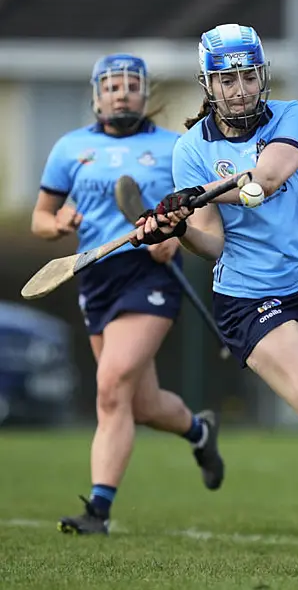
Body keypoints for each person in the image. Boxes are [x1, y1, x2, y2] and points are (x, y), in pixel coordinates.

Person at [131, 24, 298, 573]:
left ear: (262, 76)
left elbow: (269, 179)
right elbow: (210, 240)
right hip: (247, 299)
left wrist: (202, 192)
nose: (239, 89)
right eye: (226, 78)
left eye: (247, 75)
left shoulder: (289, 116)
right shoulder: (191, 150)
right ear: (208, 84)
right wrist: (178, 227)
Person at [30, 54, 225, 535]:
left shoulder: (174, 148)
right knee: (140, 402)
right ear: (97, 95)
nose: (122, 93)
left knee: (111, 383)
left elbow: (199, 215)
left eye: (130, 85)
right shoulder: (70, 148)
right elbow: (41, 216)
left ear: (144, 93)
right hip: (95, 277)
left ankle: (97, 510)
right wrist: (57, 225)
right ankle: (199, 432)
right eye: (112, 86)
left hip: (150, 275)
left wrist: (173, 238)